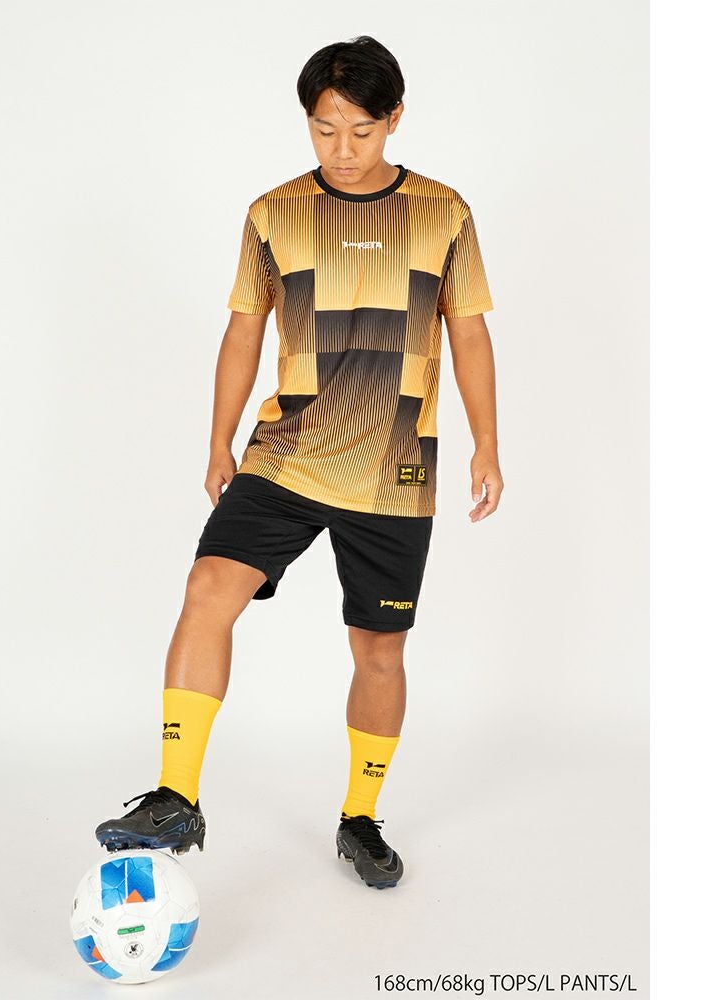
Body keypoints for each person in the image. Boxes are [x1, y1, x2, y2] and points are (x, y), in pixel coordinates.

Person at [94, 35, 502, 890]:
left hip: (393, 468)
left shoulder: (443, 213)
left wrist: (487, 444)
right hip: (286, 454)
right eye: (324, 130)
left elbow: (468, 331)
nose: (342, 150)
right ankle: (176, 795)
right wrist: (219, 438)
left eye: (360, 131)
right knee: (208, 587)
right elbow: (244, 327)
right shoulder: (274, 212)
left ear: (394, 118)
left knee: (378, 650)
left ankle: (360, 817)